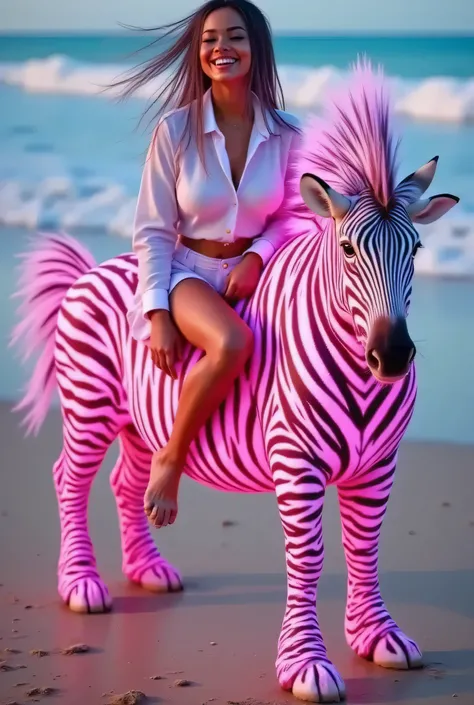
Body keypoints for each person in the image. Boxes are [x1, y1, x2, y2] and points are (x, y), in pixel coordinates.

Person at [121, 0, 303, 529]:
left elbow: (294, 214)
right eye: (210, 39)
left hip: (255, 274)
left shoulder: (291, 133)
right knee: (231, 344)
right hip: (188, 272)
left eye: (236, 36)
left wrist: (256, 254)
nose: (222, 47)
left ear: (256, 48)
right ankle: (172, 458)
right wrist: (157, 314)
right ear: (199, 53)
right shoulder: (175, 131)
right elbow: (153, 229)